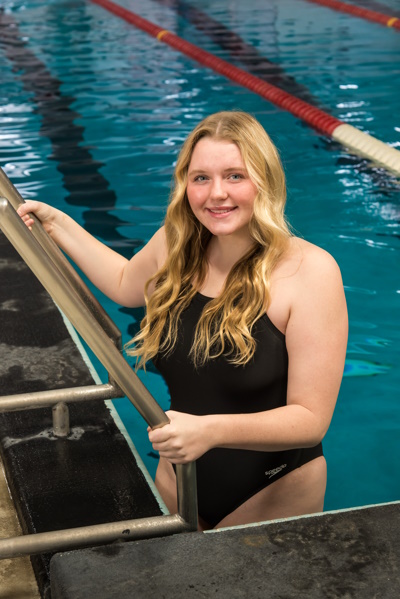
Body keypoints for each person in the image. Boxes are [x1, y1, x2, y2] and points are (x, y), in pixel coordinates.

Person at [18, 111, 348, 530]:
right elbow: (124, 284)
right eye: (201, 178)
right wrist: (57, 223)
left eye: (234, 176)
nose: (216, 195)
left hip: (271, 489)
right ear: (184, 184)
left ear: (264, 180)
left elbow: (310, 419)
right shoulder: (177, 244)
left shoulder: (309, 270)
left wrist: (209, 431)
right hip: (179, 477)